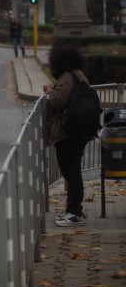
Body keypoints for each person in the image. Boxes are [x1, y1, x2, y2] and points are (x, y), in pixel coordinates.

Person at [42, 45, 93, 227]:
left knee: (71, 172)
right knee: (73, 171)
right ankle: (73, 210)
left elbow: (58, 100)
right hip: (80, 129)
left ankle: (74, 212)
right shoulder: (79, 75)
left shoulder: (67, 77)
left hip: (68, 131)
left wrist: (49, 92)